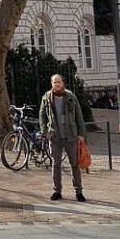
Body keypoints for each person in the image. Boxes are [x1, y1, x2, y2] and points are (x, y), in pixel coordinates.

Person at [39, 73, 87, 202]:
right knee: (56, 164)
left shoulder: (71, 97)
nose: (57, 84)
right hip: (55, 137)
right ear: (52, 84)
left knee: (75, 164)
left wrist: (81, 134)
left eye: (59, 82)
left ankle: (79, 191)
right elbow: (42, 116)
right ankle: (57, 191)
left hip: (71, 136)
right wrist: (45, 131)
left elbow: (79, 117)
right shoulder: (46, 98)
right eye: (54, 82)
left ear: (63, 83)